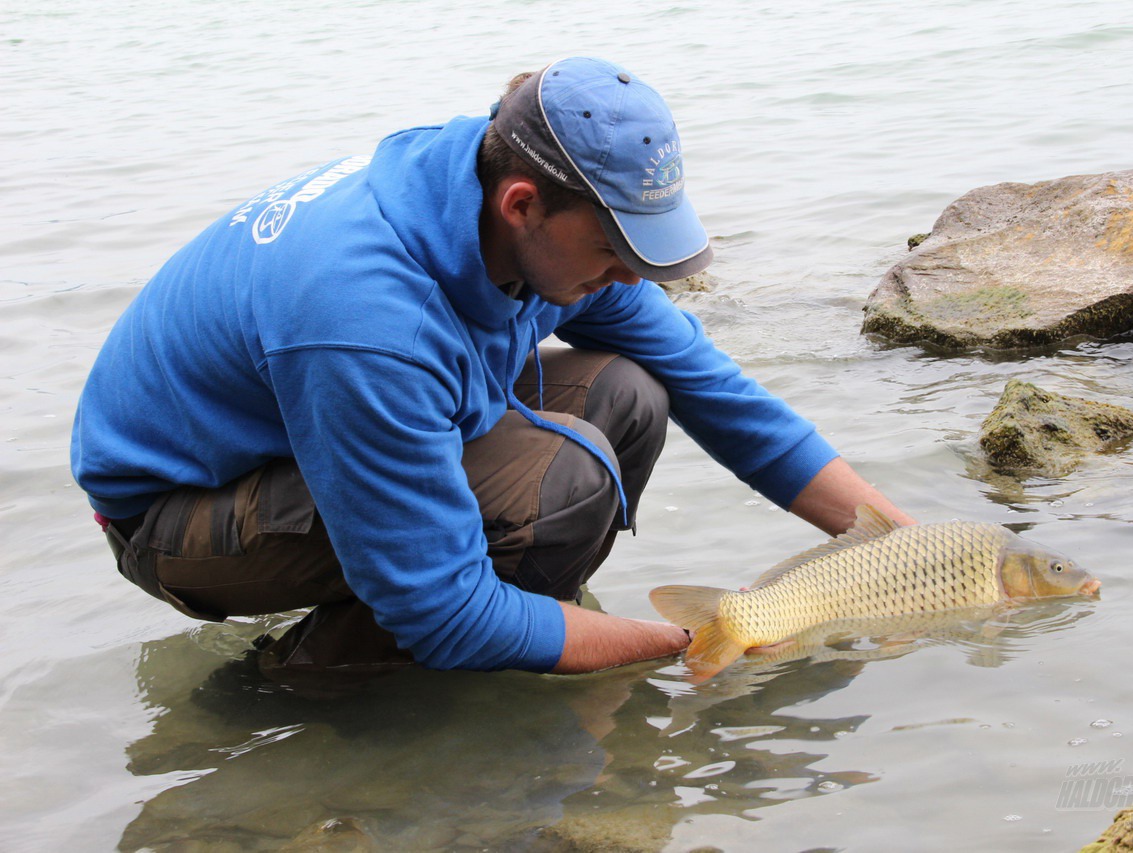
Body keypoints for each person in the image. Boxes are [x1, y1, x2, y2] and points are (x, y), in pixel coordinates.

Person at [71, 56, 912, 684]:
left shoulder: (506, 201)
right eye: (617, 251)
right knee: (566, 486)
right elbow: (446, 612)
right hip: (171, 516)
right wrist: (692, 639)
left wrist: (905, 548)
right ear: (522, 205)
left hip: (303, 432)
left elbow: (715, 391)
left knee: (631, 394)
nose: (631, 276)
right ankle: (286, 693)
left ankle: (497, 631)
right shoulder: (364, 318)